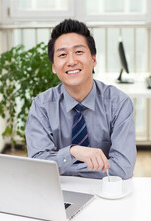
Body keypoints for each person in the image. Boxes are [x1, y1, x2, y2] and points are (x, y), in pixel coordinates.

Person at [25, 19, 136, 179]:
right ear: (54, 67)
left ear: (93, 60)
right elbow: (38, 165)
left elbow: (123, 169)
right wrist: (73, 152)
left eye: (78, 52)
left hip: (106, 193)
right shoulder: (41, 106)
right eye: (62, 55)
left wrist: (61, 166)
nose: (71, 61)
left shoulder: (118, 103)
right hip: (60, 193)